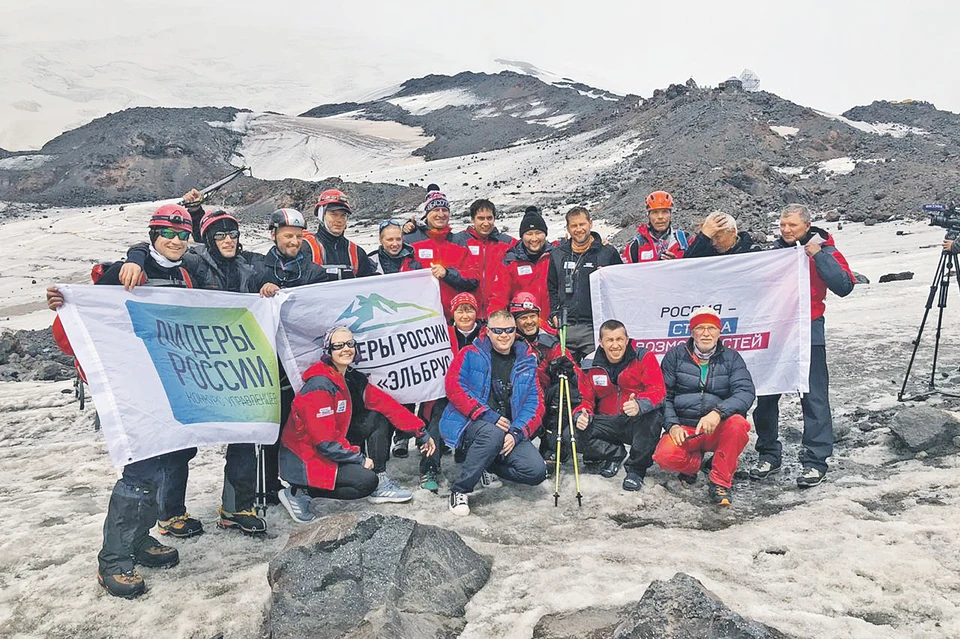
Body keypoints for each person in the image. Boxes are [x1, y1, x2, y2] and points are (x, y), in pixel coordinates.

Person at [46, 205, 199, 598]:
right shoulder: (126, 270)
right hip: (133, 390)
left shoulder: (184, 274)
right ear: (152, 235)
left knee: (167, 464)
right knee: (141, 473)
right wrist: (66, 304)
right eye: (168, 233)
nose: (176, 241)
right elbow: (87, 321)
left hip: (169, 387)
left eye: (183, 234)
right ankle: (113, 560)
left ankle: (140, 538)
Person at [116, 208, 267, 535]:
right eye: (220, 235)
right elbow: (158, 250)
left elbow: (268, 267)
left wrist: (268, 284)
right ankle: (170, 514)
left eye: (233, 234)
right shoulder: (195, 264)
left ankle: (236, 506)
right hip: (189, 365)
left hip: (232, 363)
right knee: (179, 442)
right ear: (209, 240)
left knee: (244, 434)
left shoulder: (246, 266)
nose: (228, 240)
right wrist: (135, 257)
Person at [278, 327, 436, 522]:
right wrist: (359, 459)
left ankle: (380, 478)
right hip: (306, 459)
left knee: (376, 417)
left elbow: (386, 405)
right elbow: (324, 441)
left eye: (350, 344)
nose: (346, 349)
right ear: (328, 351)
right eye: (338, 345)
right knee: (365, 482)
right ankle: (299, 491)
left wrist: (420, 431)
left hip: (331, 445)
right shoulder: (319, 385)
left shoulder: (350, 377)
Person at [749, 204, 856, 487]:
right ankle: (769, 453)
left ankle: (815, 460)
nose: (786, 230)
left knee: (814, 397)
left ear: (807, 225)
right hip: (775, 331)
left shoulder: (825, 250)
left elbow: (844, 285)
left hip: (809, 330)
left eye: (792, 226)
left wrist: (818, 255)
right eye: (782, 225)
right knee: (767, 394)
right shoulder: (775, 253)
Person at [253, 208, 331, 504]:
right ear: (273, 234)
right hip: (270, 361)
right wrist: (261, 289)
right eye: (288, 235)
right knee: (275, 422)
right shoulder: (259, 267)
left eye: (298, 236)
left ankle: (304, 478)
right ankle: (269, 484)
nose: (294, 241)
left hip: (305, 359)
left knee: (305, 422)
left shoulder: (315, 272)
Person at [441, 310, 547, 515]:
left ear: (515, 331)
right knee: (492, 433)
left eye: (509, 330)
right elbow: (454, 387)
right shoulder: (470, 353)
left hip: (508, 428)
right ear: (487, 331)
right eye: (497, 330)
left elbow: (535, 403)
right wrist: (486, 414)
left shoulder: (526, 360)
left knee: (536, 471)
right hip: (470, 423)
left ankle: (487, 466)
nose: (503, 335)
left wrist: (517, 433)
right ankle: (460, 489)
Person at [653, 307, 756, 506]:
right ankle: (694, 465)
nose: (706, 333)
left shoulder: (732, 358)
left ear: (719, 332)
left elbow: (745, 393)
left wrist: (718, 413)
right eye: (700, 328)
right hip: (686, 429)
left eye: (712, 328)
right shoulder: (674, 356)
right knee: (664, 456)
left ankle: (720, 482)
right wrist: (672, 425)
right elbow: (663, 395)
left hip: (716, 429)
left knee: (738, 424)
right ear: (692, 332)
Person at [576, 320, 666, 490]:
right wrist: (582, 414)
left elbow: (658, 390)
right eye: (610, 340)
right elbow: (584, 399)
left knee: (654, 416)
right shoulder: (589, 364)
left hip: (634, 419)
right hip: (607, 421)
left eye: (619, 339)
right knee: (570, 434)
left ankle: (636, 469)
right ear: (601, 343)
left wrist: (640, 405)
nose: (615, 345)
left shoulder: (643, 356)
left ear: (627, 340)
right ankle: (614, 453)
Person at [547, 207, 622, 362]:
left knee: (594, 371)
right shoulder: (558, 254)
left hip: (594, 326)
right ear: (568, 228)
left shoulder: (607, 252)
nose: (579, 229)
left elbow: (620, 285)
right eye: (574, 226)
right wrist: (555, 313)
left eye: (582, 224)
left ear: (590, 224)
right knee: (567, 373)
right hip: (566, 327)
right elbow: (552, 287)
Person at [404, 185, 479, 322]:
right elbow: (401, 276)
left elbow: (473, 278)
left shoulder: (459, 242)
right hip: (422, 318)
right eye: (435, 210)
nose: (440, 214)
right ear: (427, 213)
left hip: (454, 320)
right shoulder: (410, 240)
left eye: (444, 210)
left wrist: (447, 274)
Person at [489, 206, 554, 323]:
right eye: (529, 234)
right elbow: (499, 297)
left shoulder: (554, 256)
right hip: (523, 325)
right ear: (522, 236)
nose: (534, 238)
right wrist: (494, 323)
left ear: (545, 234)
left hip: (551, 324)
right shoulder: (510, 261)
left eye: (538, 233)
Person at [451, 199, 515, 317]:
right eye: (481, 218)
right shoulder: (459, 240)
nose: (486, 223)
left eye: (489, 218)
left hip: (497, 313)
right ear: (472, 219)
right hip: (467, 314)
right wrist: (412, 228)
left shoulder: (507, 243)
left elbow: (531, 246)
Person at [301, 188, 377, 279]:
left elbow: (369, 285)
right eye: (333, 214)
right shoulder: (305, 249)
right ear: (321, 215)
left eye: (343, 215)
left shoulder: (357, 253)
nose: (339, 220)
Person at [622, 191, 688, 263]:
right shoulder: (635, 246)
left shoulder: (685, 240)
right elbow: (624, 271)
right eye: (655, 212)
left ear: (670, 214)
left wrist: (677, 264)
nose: (660, 217)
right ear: (648, 216)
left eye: (665, 212)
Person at [682, 211, 761, 258]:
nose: (714, 243)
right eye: (711, 237)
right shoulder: (707, 252)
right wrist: (704, 236)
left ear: (732, 232)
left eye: (718, 237)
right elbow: (687, 265)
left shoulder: (752, 253)